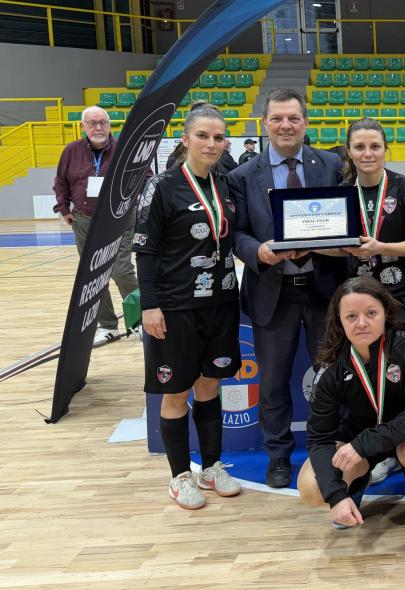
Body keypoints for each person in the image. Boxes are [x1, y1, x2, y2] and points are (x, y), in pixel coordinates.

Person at [230, 88, 348, 488]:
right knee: (273, 381)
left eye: (293, 118)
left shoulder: (330, 165)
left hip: (324, 290)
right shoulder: (243, 176)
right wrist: (258, 252)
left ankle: (329, 449)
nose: (286, 125)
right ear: (264, 123)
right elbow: (236, 234)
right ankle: (278, 455)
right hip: (272, 291)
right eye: (277, 118)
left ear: (305, 122)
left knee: (331, 377)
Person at [133, 103, 242, 510]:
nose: (211, 143)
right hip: (176, 306)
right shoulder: (162, 186)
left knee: (210, 385)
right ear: (185, 139)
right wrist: (150, 305)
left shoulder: (225, 184)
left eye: (218, 137)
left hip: (221, 301)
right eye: (202, 135)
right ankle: (180, 476)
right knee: (176, 392)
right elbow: (145, 251)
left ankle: (211, 467)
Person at [297, 277, 405, 559]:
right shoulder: (331, 366)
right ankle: (355, 485)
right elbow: (319, 439)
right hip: (359, 435)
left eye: (371, 313)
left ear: (385, 312)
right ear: (339, 321)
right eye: (351, 316)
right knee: (311, 485)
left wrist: (362, 445)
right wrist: (336, 495)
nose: (362, 323)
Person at [53, 105, 139, 345]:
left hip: (119, 219)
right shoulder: (71, 151)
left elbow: (145, 176)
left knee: (121, 271)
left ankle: (140, 321)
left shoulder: (125, 148)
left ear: (109, 125)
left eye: (103, 122)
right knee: (93, 275)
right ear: (84, 126)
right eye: (93, 123)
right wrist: (64, 209)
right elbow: (60, 182)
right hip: (84, 220)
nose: (98, 127)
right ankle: (108, 326)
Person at [340, 117, 405, 330]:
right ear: (349, 152)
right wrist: (304, 244)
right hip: (362, 297)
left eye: (375, 146)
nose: (368, 153)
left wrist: (379, 248)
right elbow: (338, 247)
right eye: (359, 147)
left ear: (385, 149)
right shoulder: (341, 192)